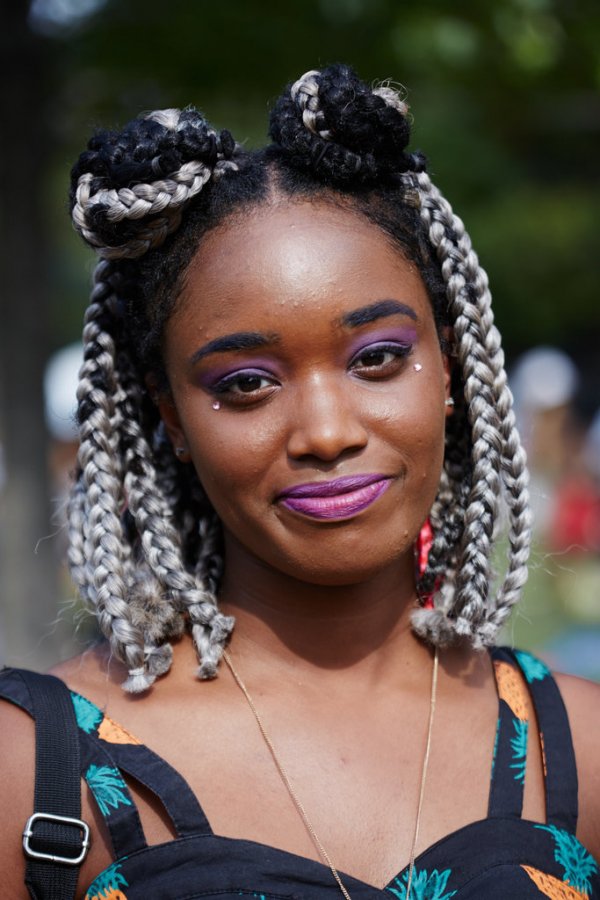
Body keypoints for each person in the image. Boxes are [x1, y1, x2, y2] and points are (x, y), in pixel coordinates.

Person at [0, 64, 598, 900]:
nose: (326, 432)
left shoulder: (579, 745)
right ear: (169, 416)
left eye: (378, 359)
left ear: (451, 369)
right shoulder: (29, 770)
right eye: (245, 382)